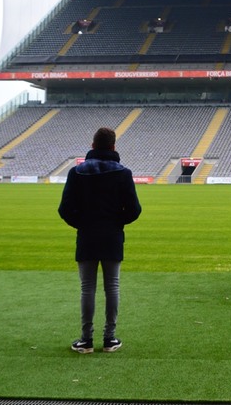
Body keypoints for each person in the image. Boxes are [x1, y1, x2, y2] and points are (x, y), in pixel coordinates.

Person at [58, 127, 142, 353]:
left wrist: (83, 223)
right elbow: (134, 210)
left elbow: (65, 209)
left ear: (92, 146)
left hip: (87, 235)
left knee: (88, 288)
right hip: (112, 236)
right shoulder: (123, 173)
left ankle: (86, 340)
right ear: (113, 147)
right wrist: (116, 222)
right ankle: (109, 338)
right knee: (112, 287)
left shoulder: (77, 172)